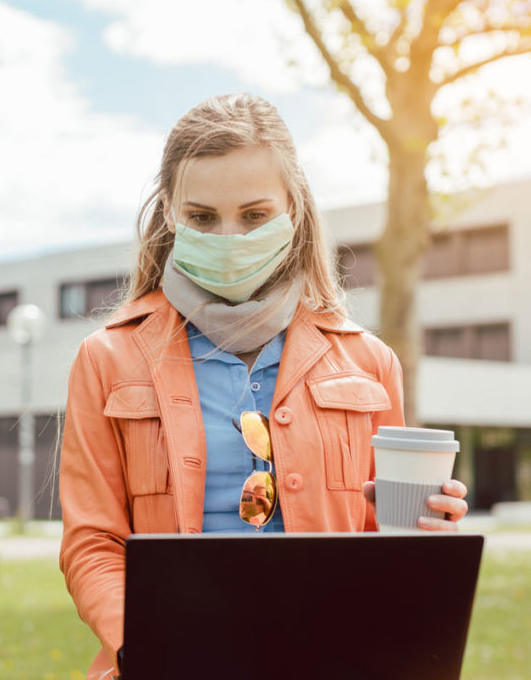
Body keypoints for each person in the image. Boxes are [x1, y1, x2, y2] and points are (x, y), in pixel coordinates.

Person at [57, 93, 470, 680]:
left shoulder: (370, 361)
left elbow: (388, 545)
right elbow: (92, 544)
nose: (229, 239)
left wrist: (431, 530)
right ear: (170, 213)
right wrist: (151, 647)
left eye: (254, 216)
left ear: (293, 211)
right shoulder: (106, 359)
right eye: (202, 217)